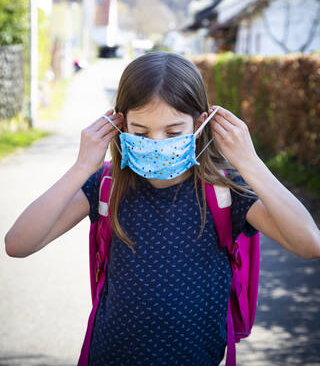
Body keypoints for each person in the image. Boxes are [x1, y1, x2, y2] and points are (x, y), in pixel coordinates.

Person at [4, 51, 320, 366]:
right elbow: (18, 244)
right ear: (120, 124)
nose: (156, 143)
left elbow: (309, 244)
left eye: (172, 133)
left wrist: (249, 161)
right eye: (140, 132)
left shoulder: (225, 191)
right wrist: (81, 168)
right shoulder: (107, 185)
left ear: (200, 123)